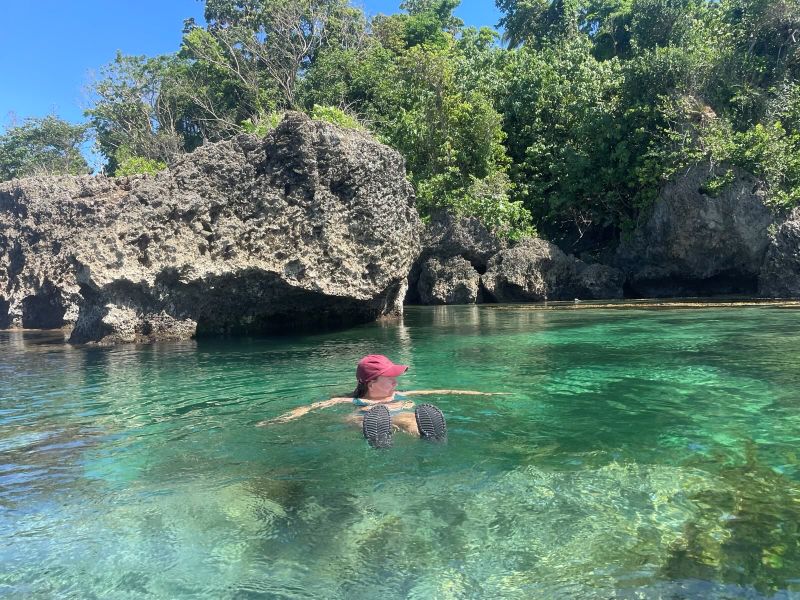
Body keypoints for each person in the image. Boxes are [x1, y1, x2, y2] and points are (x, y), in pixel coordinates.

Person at [257, 354, 496, 448]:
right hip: (364, 414)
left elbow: (446, 391)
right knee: (355, 418)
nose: (396, 382)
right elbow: (312, 407)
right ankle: (379, 439)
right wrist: (280, 419)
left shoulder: (402, 396)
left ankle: (431, 438)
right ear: (370, 383)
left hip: (397, 413)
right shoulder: (349, 400)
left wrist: (484, 394)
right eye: (389, 378)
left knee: (410, 418)